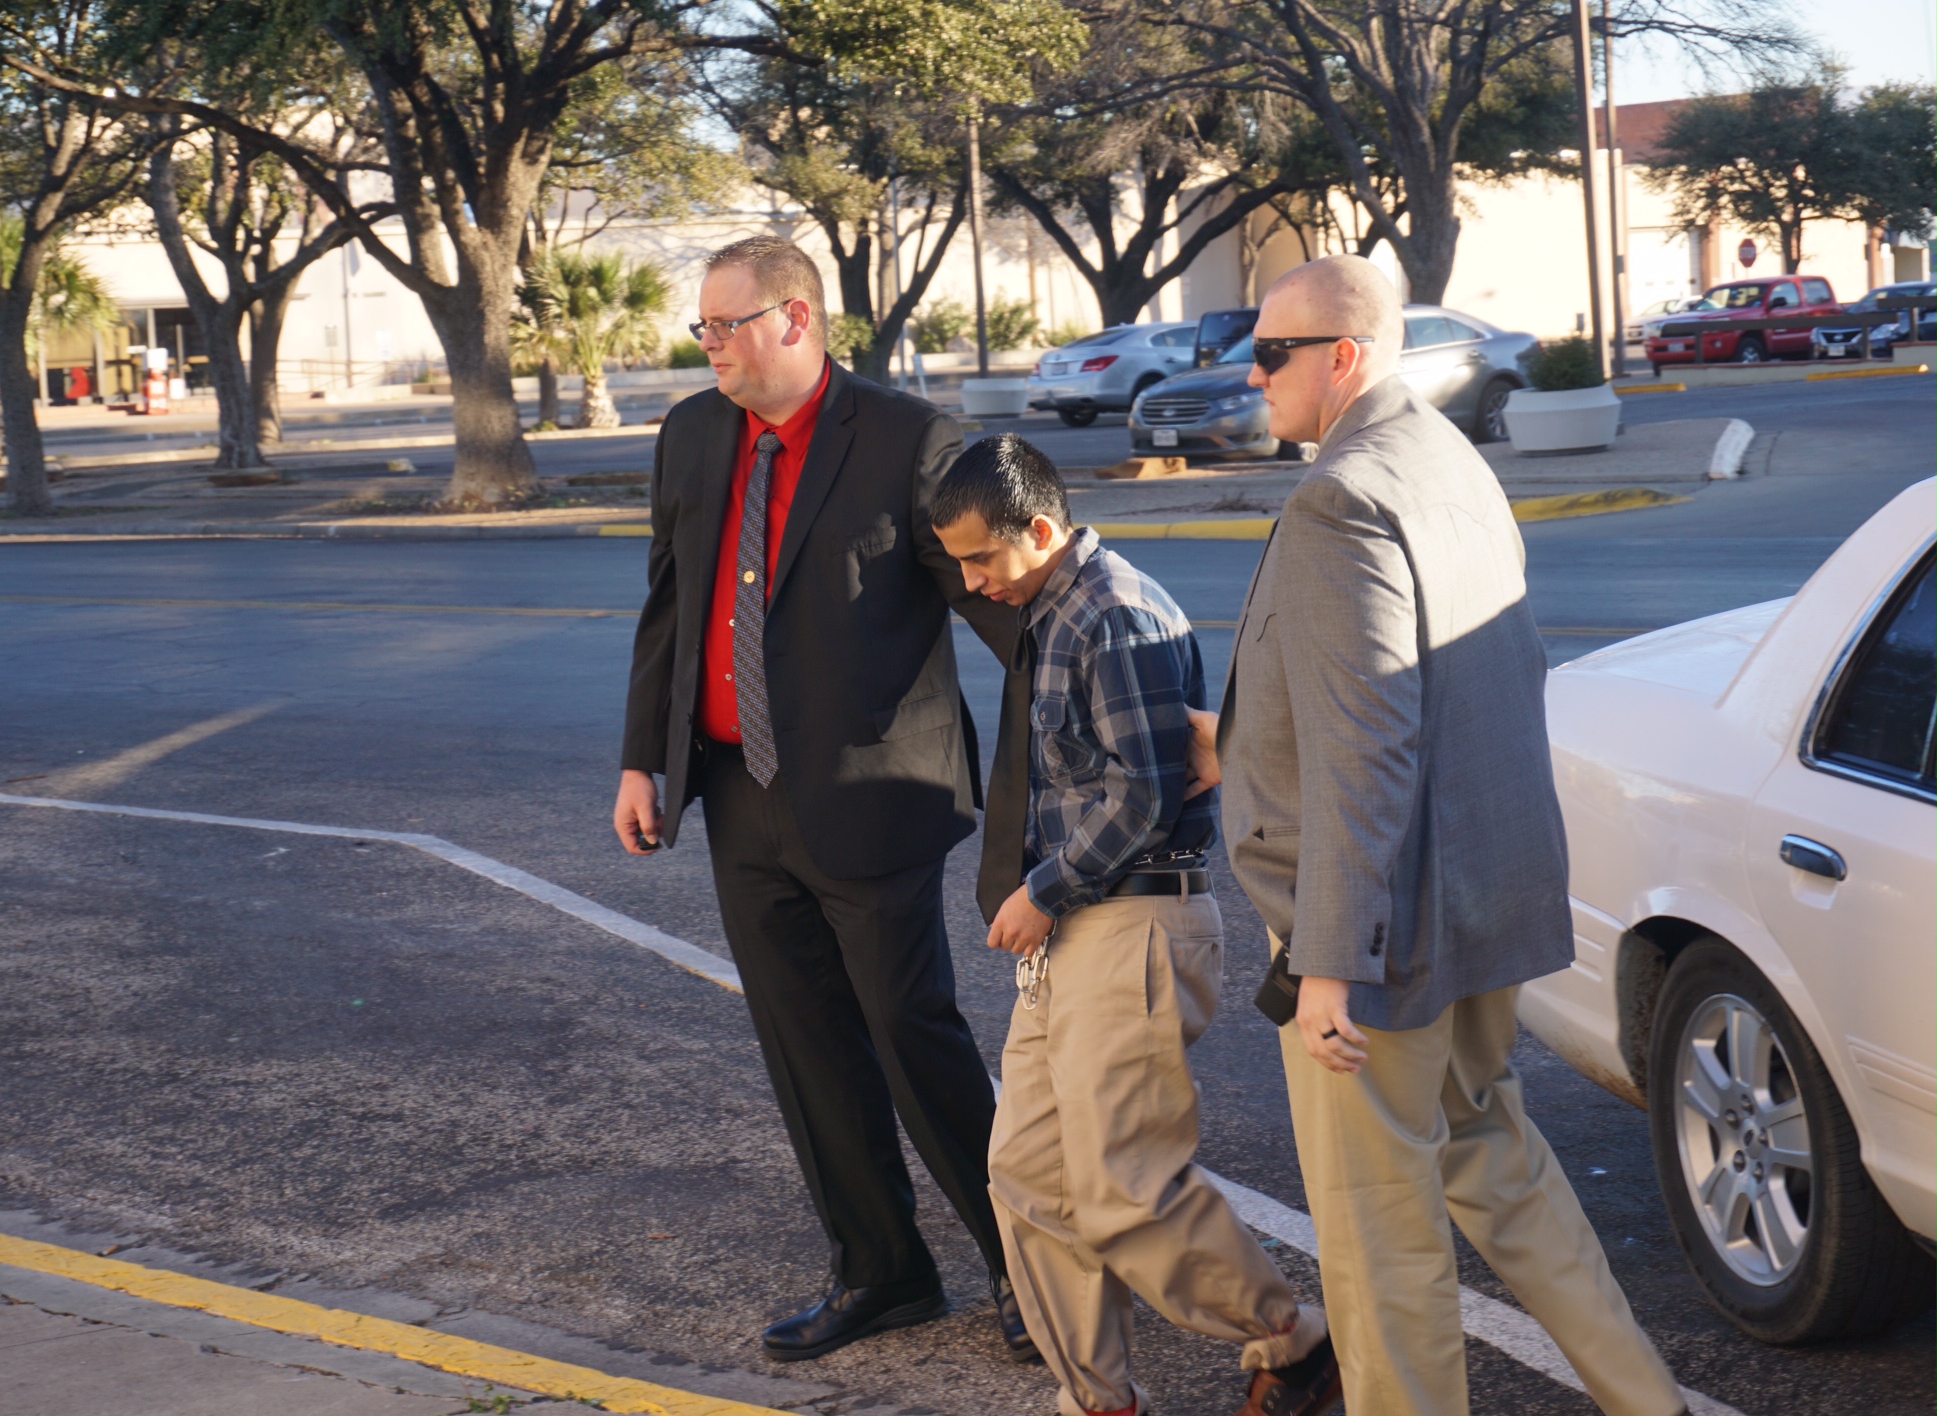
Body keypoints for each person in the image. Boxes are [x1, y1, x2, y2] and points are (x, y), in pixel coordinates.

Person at [1190, 254, 1690, 1416]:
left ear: (1343, 359)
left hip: (1378, 944)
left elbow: (1371, 750)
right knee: (1499, 1171)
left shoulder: (1336, 496)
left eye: (1271, 354)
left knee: (1379, 1249)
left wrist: (1326, 961)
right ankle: (1646, 1402)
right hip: (1474, 909)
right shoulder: (1447, 460)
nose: (1251, 374)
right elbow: (1470, 687)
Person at [614, 236, 1032, 1364]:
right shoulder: (693, 434)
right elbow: (670, 603)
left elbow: (1011, 612)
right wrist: (641, 759)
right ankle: (882, 1273)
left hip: (875, 799)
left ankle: (1025, 1271)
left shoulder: (907, 440)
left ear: (795, 320)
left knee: (910, 1035)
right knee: (804, 1047)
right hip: (736, 795)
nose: (708, 348)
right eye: (700, 329)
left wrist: (1094, 741)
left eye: (725, 326)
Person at [933, 434, 1342, 1416]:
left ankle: (1291, 1338)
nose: (970, 579)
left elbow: (1147, 795)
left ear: (1039, 529)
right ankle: (1099, 1400)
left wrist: (1042, 890)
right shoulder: (1054, 605)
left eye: (980, 557)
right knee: (1026, 1177)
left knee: (1122, 1188)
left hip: (1132, 927)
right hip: (1078, 935)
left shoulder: (1110, 614)